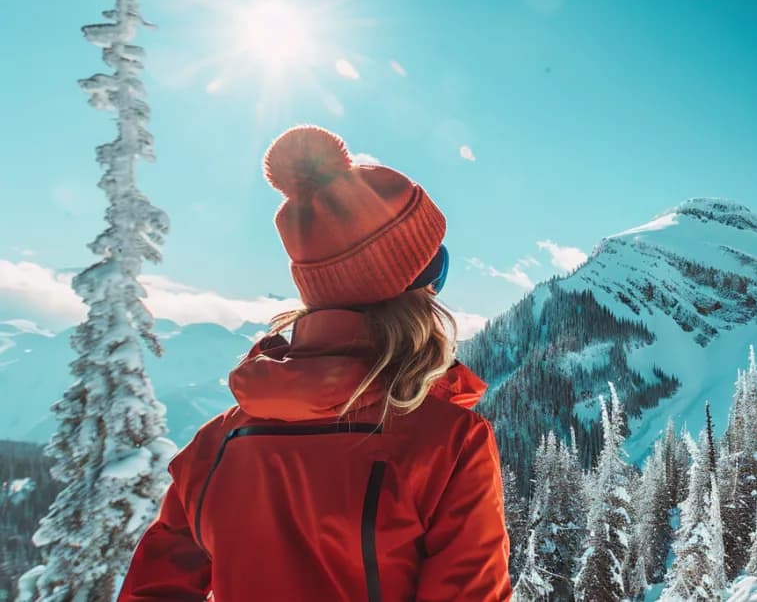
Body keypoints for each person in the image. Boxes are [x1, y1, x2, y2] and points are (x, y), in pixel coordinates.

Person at [118, 125, 512, 601]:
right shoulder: (450, 444)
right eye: (435, 267)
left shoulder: (214, 445)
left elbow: (153, 591)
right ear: (411, 292)